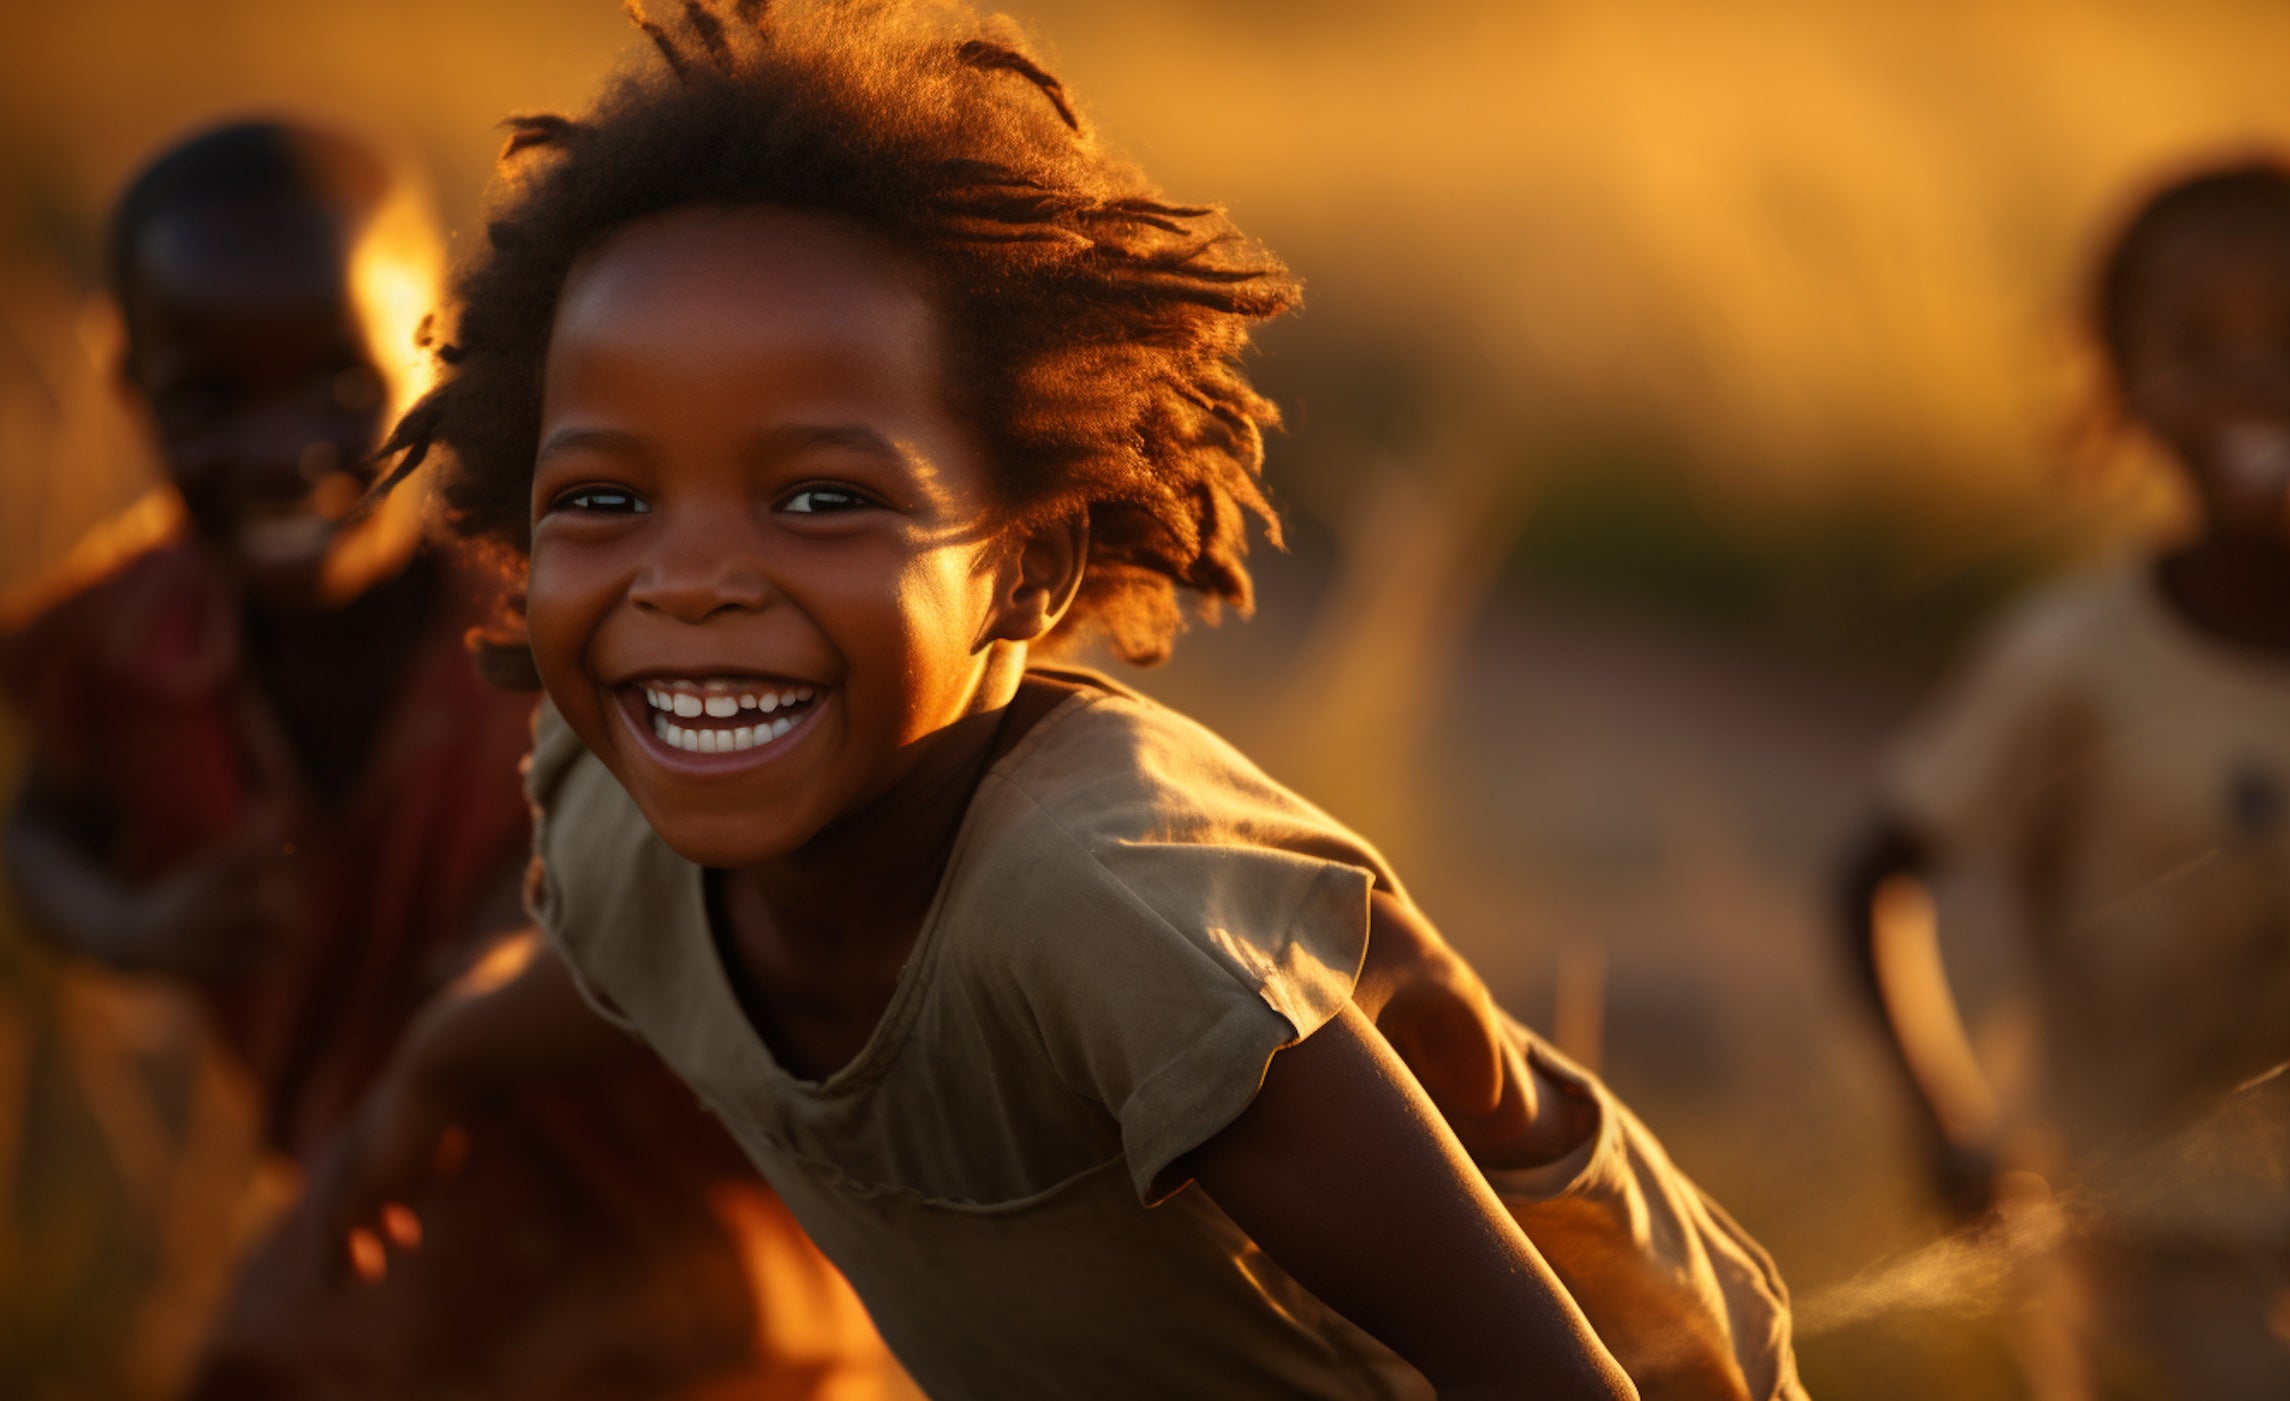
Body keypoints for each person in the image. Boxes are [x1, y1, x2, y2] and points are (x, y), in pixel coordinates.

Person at [320, 4, 1807, 1397]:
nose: (689, 578)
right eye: (606, 496)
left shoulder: (1101, 912)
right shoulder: (612, 803)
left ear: (1027, 568)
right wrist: (427, 1082)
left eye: (821, 496)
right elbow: (617, 973)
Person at [0, 119, 904, 1400]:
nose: (278, 450)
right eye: (211, 400)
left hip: (665, 1228)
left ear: (440, 366)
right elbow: (43, 831)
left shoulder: (560, 594)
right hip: (381, 1218)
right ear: (131, 389)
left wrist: (519, 940)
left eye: (337, 387)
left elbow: (715, 854)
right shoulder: (122, 643)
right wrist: (137, 921)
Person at [1836, 150, 2290, 1400]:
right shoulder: (2070, 665)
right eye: (2194, 346)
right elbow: (1872, 878)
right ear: (2125, 393)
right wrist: (1947, 1120)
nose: (2251, 377)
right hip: (2148, 1213)